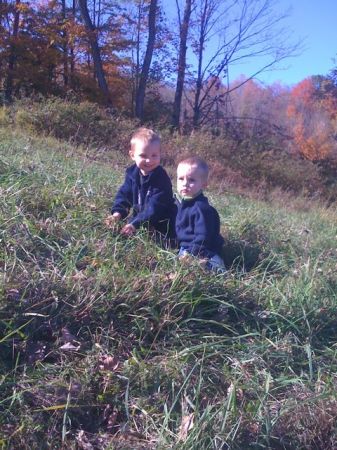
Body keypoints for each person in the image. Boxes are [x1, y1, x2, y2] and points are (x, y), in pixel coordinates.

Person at [105, 127, 176, 241]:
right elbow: (124, 195)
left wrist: (135, 224)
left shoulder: (161, 179)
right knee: (118, 235)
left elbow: (155, 207)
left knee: (160, 240)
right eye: (143, 156)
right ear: (132, 155)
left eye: (154, 155)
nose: (149, 160)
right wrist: (117, 213)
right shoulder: (132, 174)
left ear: (160, 155)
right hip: (140, 219)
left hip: (162, 224)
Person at [175, 156, 225, 271]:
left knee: (201, 267)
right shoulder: (183, 203)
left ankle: (216, 265)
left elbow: (203, 236)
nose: (185, 184)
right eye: (181, 179)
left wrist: (192, 253)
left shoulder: (201, 208)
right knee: (180, 267)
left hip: (202, 250)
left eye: (191, 180)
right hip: (185, 247)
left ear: (204, 185)